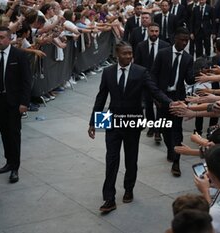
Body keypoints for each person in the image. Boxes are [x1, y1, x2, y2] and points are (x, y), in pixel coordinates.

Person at [88, 41, 174, 213]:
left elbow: (154, 91)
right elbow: (101, 97)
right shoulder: (108, 72)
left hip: (132, 121)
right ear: (117, 54)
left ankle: (129, 189)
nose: (128, 56)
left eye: (130, 53)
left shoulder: (141, 72)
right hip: (112, 120)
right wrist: (93, 122)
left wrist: (171, 103)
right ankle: (109, 198)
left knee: (130, 159)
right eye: (125, 53)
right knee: (111, 159)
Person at [0, 26, 32, 183]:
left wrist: (24, 102)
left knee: (14, 134)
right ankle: (9, 162)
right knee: (4, 133)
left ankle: (15, 167)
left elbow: (26, 80)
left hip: (14, 102)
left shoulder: (19, 56)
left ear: (9, 38)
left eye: (2, 37)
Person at [151, 27, 194, 177]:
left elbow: (189, 79)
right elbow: (153, 75)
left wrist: (199, 71)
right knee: (164, 128)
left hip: (178, 97)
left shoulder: (188, 58)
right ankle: (170, 149)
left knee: (177, 130)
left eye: (186, 41)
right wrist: (156, 97)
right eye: (181, 40)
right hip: (162, 96)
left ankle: (176, 161)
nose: (184, 43)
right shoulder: (163, 54)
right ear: (175, 38)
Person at [134, 22, 170, 141]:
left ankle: (158, 131)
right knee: (148, 105)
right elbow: (137, 64)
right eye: (152, 31)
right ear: (148, 31)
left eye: (156, 31)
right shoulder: (141, 46)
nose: (154, 33)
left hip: (160, 81)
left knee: (160, 106)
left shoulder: (165, 45)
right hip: (146, 80)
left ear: (159, 32)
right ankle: (151, 126)